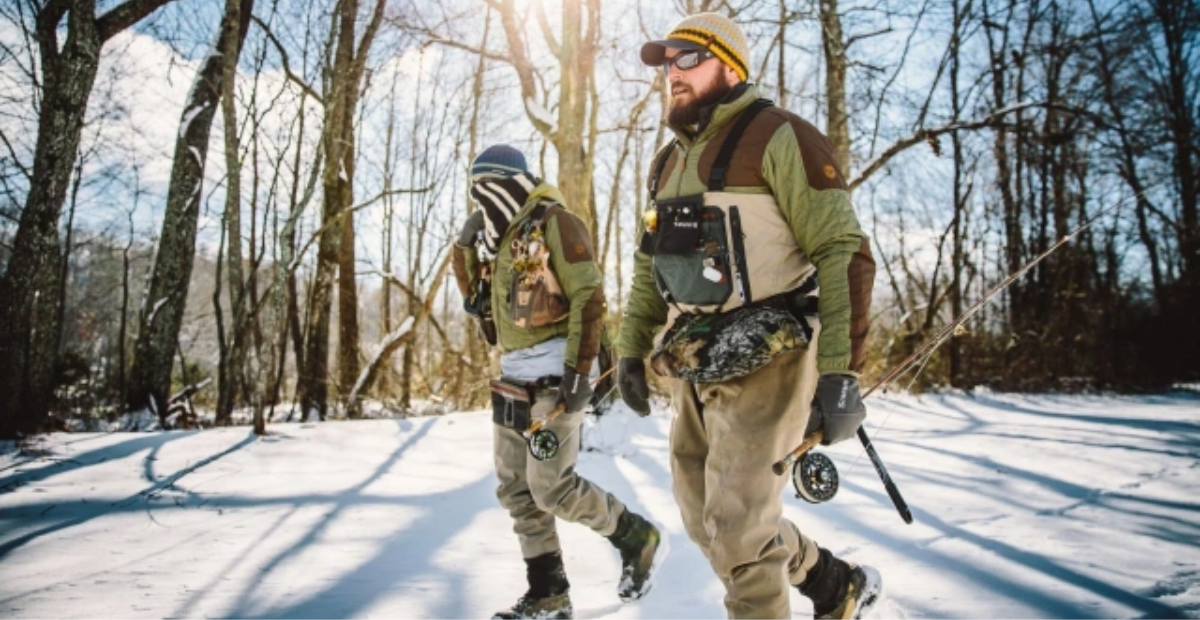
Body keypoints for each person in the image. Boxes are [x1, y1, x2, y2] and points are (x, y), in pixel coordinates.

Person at [614, 12, 881, 620]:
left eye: (687, 59)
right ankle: (834, 585)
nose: (670, 74)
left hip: (772, 360)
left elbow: (843, 251)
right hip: (694, 364)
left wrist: (842, 373)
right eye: (664, 63)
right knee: (709, 524)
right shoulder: (665, 164)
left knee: (736, 529)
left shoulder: (779, 136)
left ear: (729, 65)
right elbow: (646, 267)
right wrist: (630, 349)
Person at [451, 145, 666, 620]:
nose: (484, 201)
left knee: (553, 488)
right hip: (512, 379)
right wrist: (464, 245)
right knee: (516, 491)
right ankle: (548, 594)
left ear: (516, 183)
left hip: (555, 377)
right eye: (476, 192)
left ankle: (637, 536)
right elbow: (473, 297)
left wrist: (577, 373)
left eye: (492, 187)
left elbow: (589, 296)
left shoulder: (554, 222)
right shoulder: (496, 240)